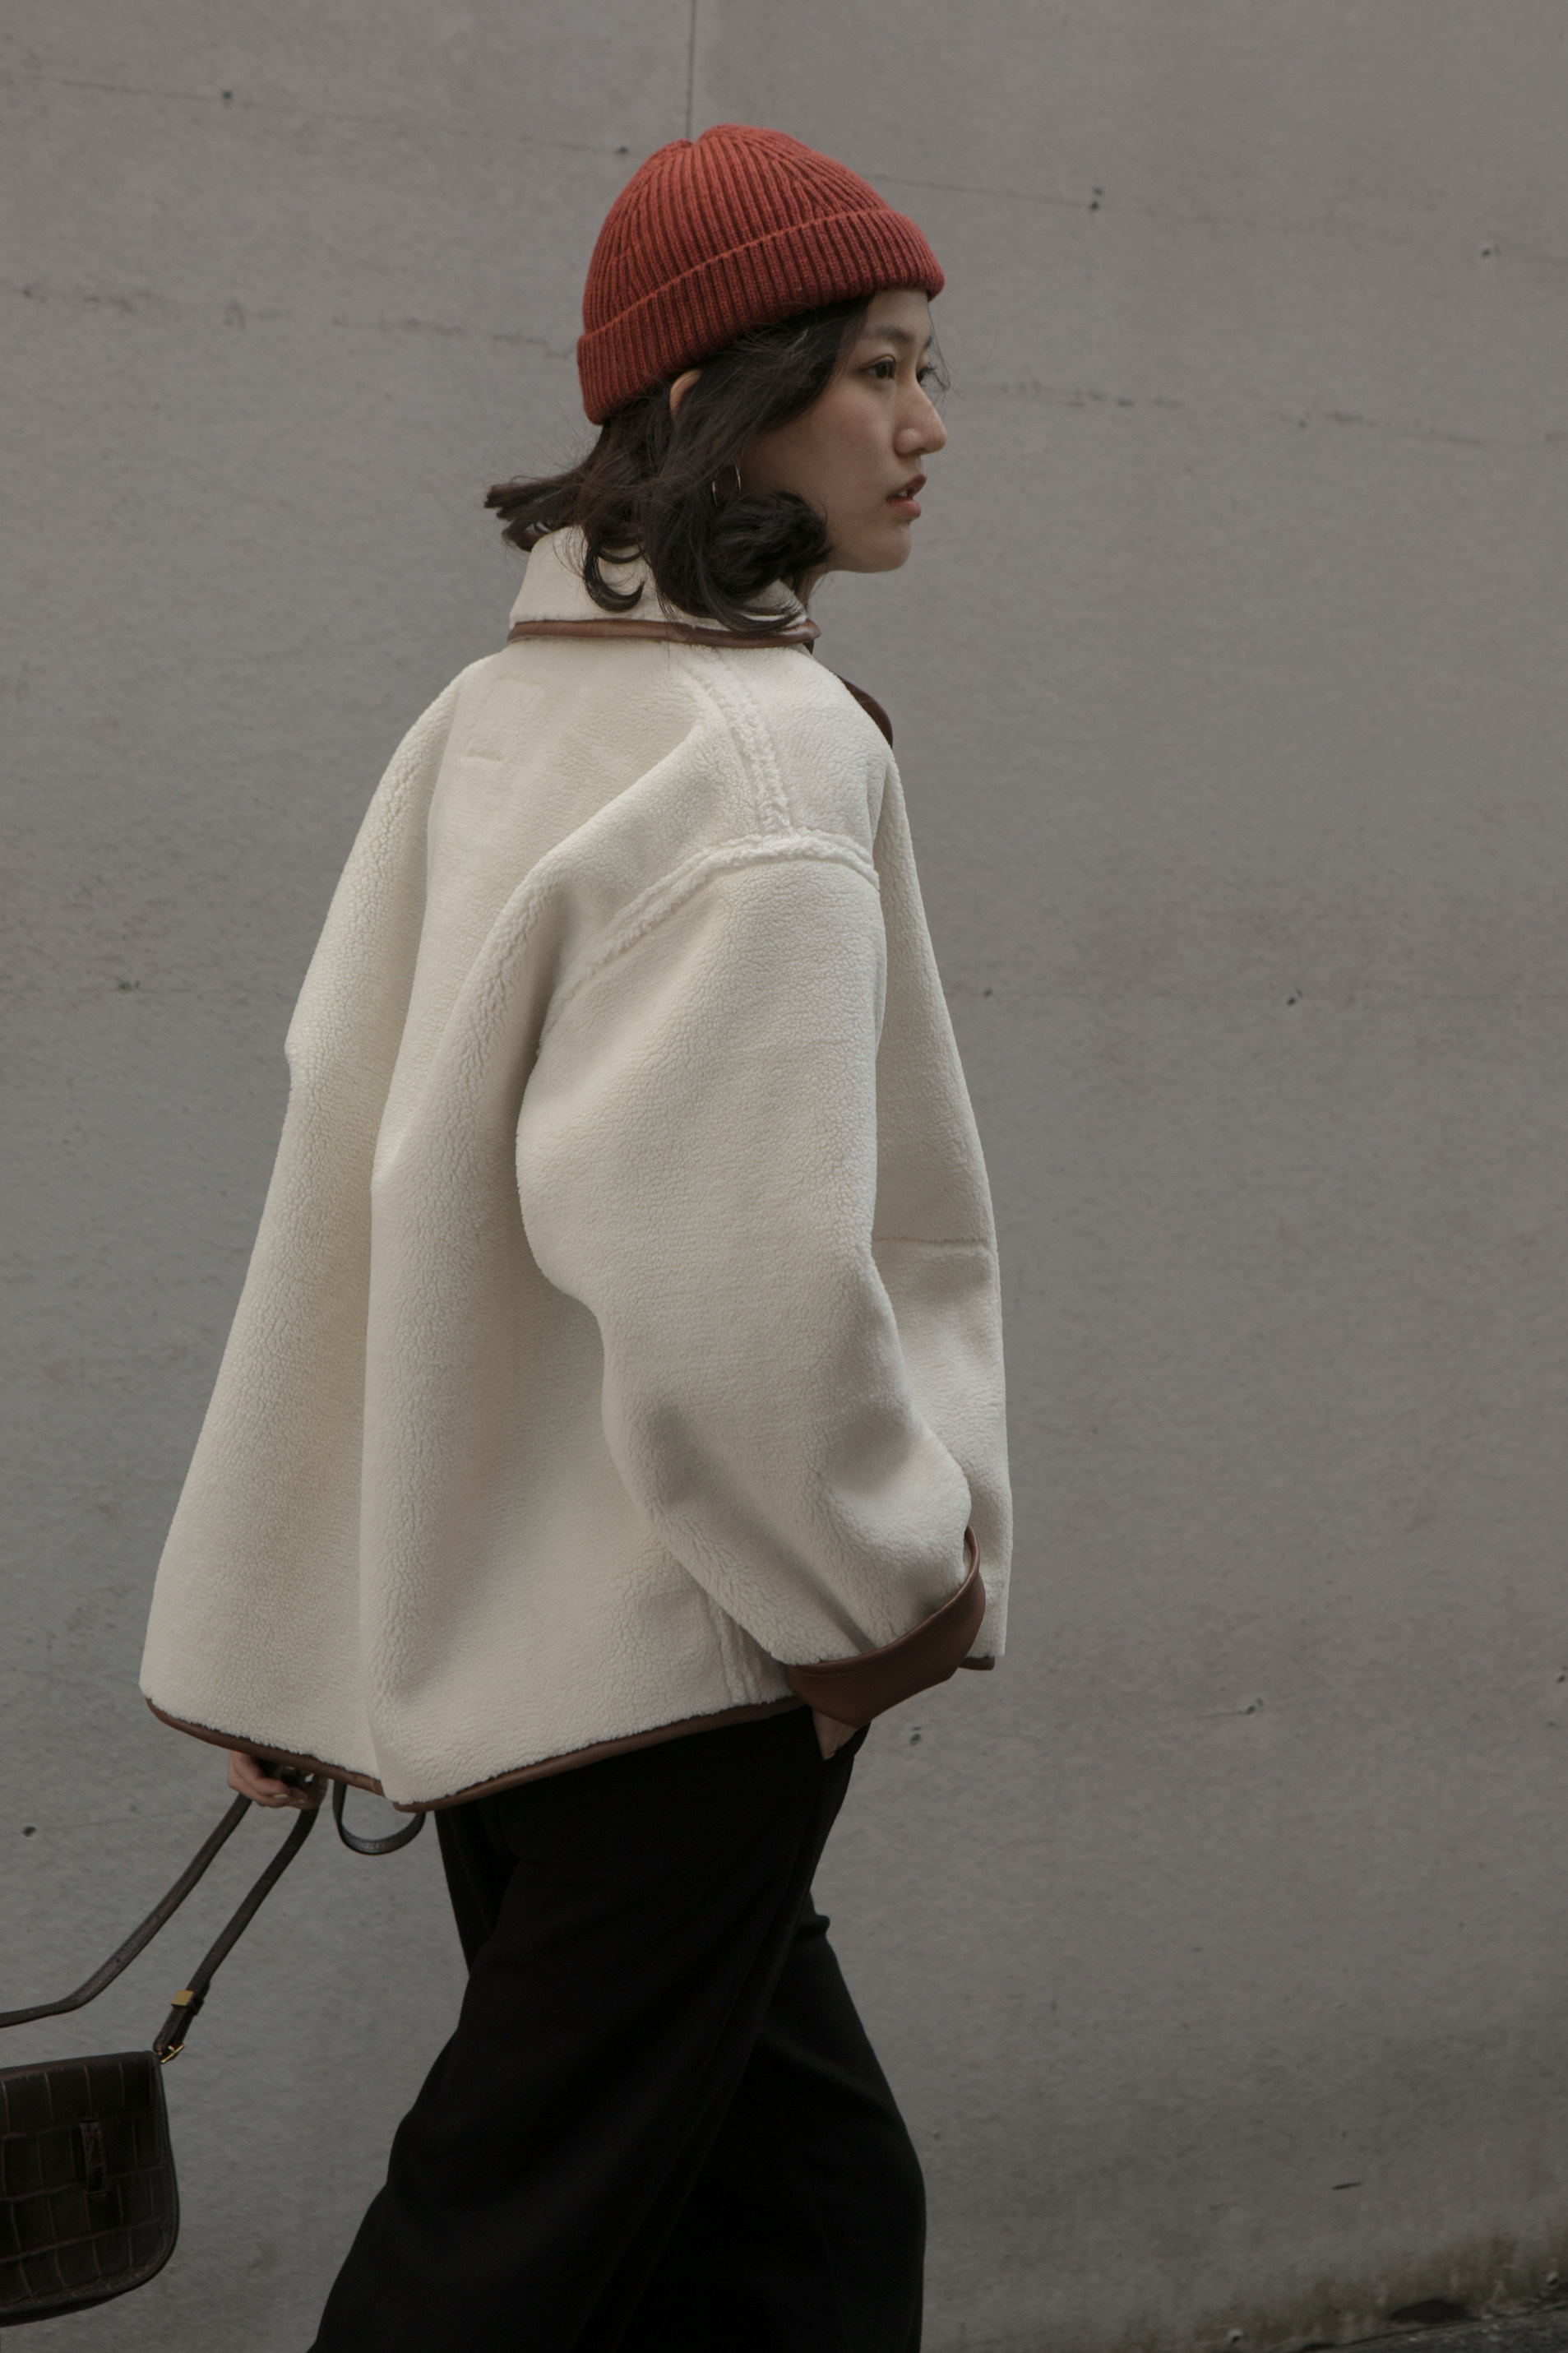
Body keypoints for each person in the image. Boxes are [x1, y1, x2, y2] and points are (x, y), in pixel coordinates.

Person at [139, 123, 1012, 2351]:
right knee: (512, 2238)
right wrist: (890, 1596)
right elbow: (740, 1291)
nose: (927, 425)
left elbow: (359, 1172)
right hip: (686, 1651)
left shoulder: (497, 715)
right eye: (879, 369)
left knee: (807, 2210)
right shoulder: (764, 766)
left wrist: (312, 1613)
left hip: (512, 1645)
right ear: (723, 393)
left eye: (928, 369)